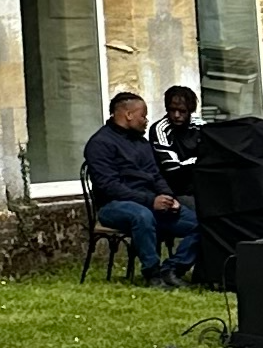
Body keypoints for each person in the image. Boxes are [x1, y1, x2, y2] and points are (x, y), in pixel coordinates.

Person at [85, 90, 198, 287]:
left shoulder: (142, 143)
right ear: (128, 115)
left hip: (150, 202)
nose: (146, 121)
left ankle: (173, 269)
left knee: (199, 224)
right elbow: (109, 187)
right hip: (113, 206)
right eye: (143, 115)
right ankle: (152, 273)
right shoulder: (100, 143)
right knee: (141, 215)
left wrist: (168, 196)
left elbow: (156, 175)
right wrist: (150, 201)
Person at [151, 84, 205, 165]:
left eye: (182, 111)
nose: (176, 115)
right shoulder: (161, 129)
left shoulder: (200, 126)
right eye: (172, 110)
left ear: (190, 110)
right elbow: (171, 167)